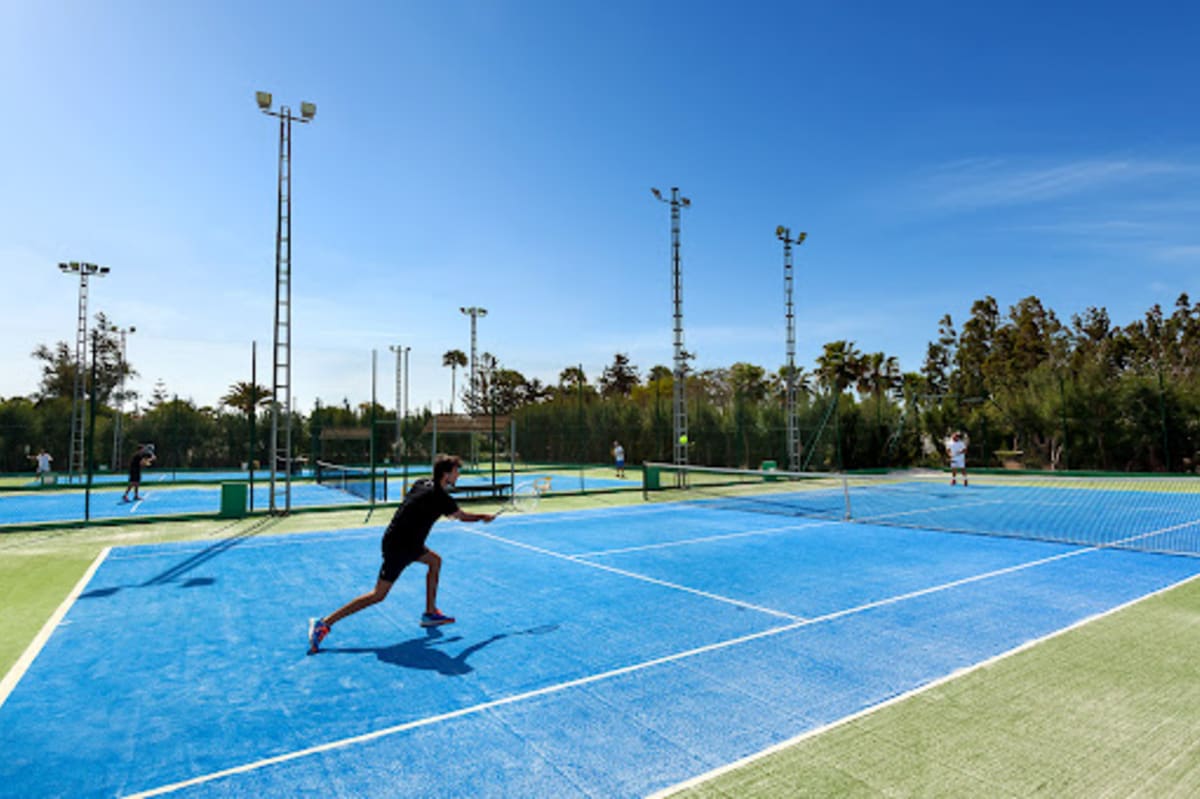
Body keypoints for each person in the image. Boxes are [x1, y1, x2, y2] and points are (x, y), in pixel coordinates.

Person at [307, 454, 495, 655]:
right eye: (456, 471)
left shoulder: (422, 483)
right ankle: (324, 623)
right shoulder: (441, 498)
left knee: (435, 561)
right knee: (378, 595)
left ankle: (430, 613)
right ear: (446, 475)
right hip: (400, 546)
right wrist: (483, 517)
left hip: (407, 542)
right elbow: (461, 516)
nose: (458, 475)